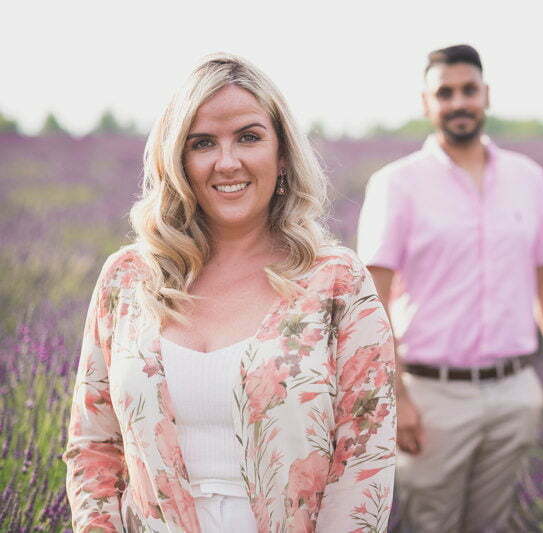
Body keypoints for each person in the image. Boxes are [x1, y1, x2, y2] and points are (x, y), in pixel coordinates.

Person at [63, 52, 396, 533]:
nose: (227, 162)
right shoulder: (128, 279)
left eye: (249, 137)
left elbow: (365, 456)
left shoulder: (337, 282)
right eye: (202, 143)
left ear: (281, 154)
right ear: (178, 159)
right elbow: (93, 445)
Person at [357, 44, 543, 532]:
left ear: (486, 96)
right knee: (429, 523)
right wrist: (395, 396)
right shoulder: (395, 184)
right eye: (445, 93)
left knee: (493, 522)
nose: (458, 101)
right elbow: (370, 299)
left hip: (514, 393)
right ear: (426, 104)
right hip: (432, 396)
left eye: (468, 90)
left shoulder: (528, 178)